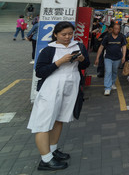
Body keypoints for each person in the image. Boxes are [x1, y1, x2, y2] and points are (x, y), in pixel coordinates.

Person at [27, 21, 90, 171]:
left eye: (70, 34)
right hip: (51, 88)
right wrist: (59, 62)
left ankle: (53, 150)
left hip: (70, 87)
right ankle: (45, 159)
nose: (67, 37)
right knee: (43, 123)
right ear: (55, 34)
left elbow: (85, 64)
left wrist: (81, 60)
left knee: (59, 118)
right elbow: (40, 72)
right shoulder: (49, 50)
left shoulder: (78, 46)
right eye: (63, 34)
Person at [94, 23, 126, 96]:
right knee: (108, 71)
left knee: (114, 71)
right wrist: (97, 58)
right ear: (112, 29)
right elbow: (101, 47)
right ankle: (107, 88)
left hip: (117, 57)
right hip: (108, 57)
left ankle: (112, 83)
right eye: (115, 28)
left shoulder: (122, 37)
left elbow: (124, 46)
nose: (116, 30)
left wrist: (123, 56)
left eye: (118, 29)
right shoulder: (107, 37)